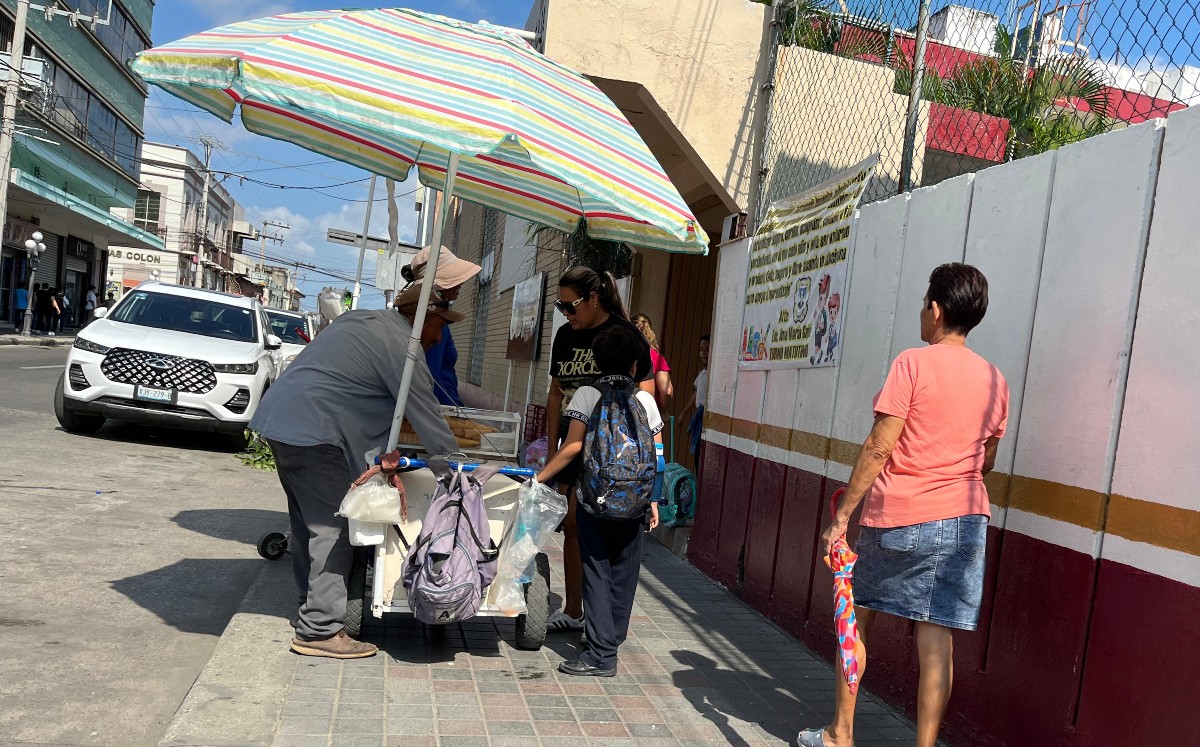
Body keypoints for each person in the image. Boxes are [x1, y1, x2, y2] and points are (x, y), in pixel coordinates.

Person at [798, 264, 1009, 747]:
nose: (921, 313)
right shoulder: (996, 380)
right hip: (964, 520)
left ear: (935, 311)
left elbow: (879, 446)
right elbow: (987, 459)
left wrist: (841, 518)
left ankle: (840, 734)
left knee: (859, 617)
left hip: (902, 516)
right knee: (937, 637)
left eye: (923, 304)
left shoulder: (912, 364)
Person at [250, 247, 481, 659]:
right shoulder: (403, 347)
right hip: (314, 433)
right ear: (425, 318)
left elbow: (356, 391)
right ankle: (320, 630)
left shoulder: (362, 319)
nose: (439, 337)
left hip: (280, 423)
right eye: (440, 327)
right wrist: (452, 472)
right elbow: (426, 413)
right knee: (332, 529)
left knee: (306, 525)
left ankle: (312, 609)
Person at [537, 324, 661, 676]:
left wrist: (539, 478)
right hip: (635, 501)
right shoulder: (645, 400)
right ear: (635, 366)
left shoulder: (587, 396)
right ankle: (610, 641)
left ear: (596, 362)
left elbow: (573, 447)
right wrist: (654, 500)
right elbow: (659, 454)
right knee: (625, 573)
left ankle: (601, 654)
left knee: (596, 571)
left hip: (595, 499)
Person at [545, 266, 653, 633]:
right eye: (559, 307)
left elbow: (646, 399)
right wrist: (549, 450)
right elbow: (556, 393)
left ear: (593, 298)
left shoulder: (626, 337)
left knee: (597, 530)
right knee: (573, 526)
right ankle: (576, 610)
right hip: (572, 448)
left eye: (570, 306)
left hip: (611, 455)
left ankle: (601, 620)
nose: (565, 314)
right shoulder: (564, 337)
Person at [632, 313, 673, 408]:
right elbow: (667, 391)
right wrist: (661, 411)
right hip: (648, 412)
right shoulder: (657, 358)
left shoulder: (623, 354)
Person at [681, 334, 710, 468]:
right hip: (699, 416)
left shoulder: (713, 372)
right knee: (697, 456)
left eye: (707, 349)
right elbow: (696, 394)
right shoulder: (703, 372)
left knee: (702, 455)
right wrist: (683, 414)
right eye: (701, 349)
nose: (703, 353)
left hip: (707, 419)